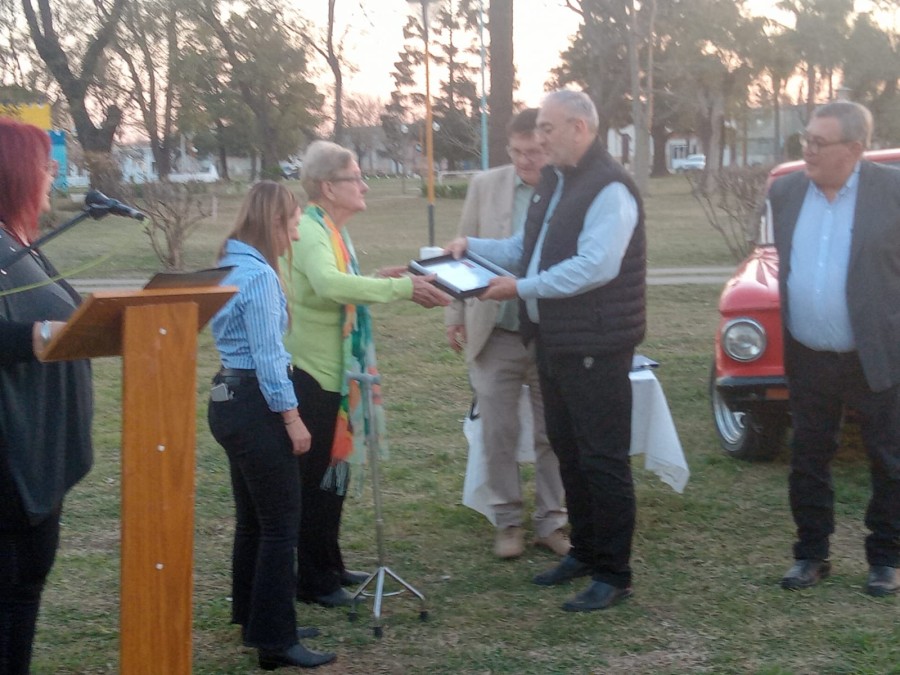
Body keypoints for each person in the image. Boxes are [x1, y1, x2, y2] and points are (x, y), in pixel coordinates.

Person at [446, 90, 646, 612]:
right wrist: (473, 248)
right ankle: (583, 552)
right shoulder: (556, 182)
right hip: (555, 344)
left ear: (580, 127)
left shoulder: (610, 189)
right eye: (538, 129)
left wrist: (521, 288)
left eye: (548, 128)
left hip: (596, 347)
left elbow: (594, 267)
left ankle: (614, 573)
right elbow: (522, 248)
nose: (539, 139)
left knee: (602, 460)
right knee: (570, 454)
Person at [285, 140, 450, 608]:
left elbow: (341, 282)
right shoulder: (312, 229)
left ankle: (330, 565)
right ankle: (313, 581)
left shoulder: (333, 230)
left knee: (333, 474)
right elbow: (328, 285)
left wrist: (380, 276)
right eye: (354, 178)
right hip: (311, 371)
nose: (363, 185)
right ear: (326, 187)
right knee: (316, 479)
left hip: (339, 372)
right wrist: (399, 288)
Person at [770, 101, 900, 597]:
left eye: (819, 143)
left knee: (888, 459)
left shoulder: (892, 192)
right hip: (808, 353)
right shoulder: (785, 192)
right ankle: (810, 554)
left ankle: (886, 559)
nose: (808, 149)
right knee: (808, 456)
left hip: (876, 354)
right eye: (806, 138)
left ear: (855, 149)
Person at [207, 181, 336, 670]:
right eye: (294, 223)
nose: (297, 233)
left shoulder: (229, 262)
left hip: (227, 399)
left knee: (253, 521)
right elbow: (267, 357)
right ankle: (275, 641)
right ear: (275, 222)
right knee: (282, 524)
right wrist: (292, 417)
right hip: (257, 405)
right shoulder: (259, 277)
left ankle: (254, 618)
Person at [445, 108, 569, 560]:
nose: (524, 161)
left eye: (533, 152)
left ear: (548, 147)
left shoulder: (566, 187)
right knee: (497, 430)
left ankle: (553, 521)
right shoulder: (485, 186)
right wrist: (454, 314)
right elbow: (462, 250)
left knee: (553, 433)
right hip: (495, 332)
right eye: (516, 152)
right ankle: (507, 520)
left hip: (551, 334)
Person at [0, 118, 93, 673]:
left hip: (40, 452)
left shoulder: (20, 243)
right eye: (45, 166)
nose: (52, 177)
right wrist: (33, 337)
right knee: (10, 594)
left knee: (25, 592)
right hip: (10, 461)